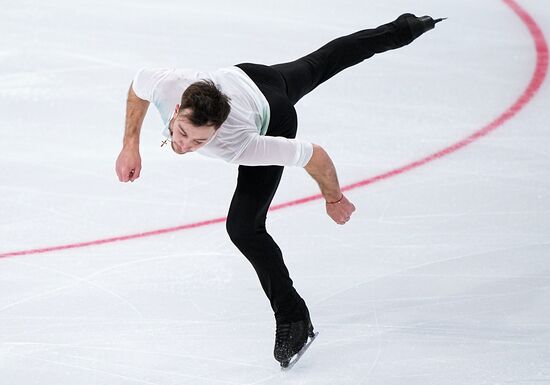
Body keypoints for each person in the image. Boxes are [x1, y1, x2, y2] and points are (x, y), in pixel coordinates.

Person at [115, 13, 443, 367]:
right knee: (324, 60)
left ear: (217, 131)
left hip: (274, 114)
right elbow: (137, 87)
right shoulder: (165, 84)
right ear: (177, 108)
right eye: (181, 133)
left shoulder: (239, 144)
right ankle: (407, 27)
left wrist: (334, 197)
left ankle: (293, 316)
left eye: (199, 141)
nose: (185, 144)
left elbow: (314, 155)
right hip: (249, 76)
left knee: (243, 227)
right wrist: (130, 145)